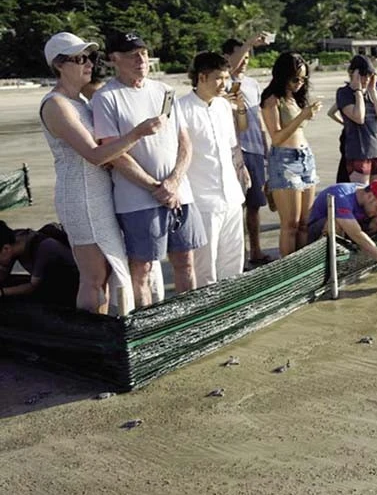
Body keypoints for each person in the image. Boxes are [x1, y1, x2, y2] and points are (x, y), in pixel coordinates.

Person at [38, 32, 163, 314]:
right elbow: (94, 155)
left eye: (91, 57)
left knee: (106, 273)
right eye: (80, 59)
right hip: (80, 196)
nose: (89, 64)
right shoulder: (56, 104)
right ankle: (93, 339)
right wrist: (138, 133)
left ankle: (104, 332)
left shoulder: (81, 101)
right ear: (59, 65)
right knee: (94, 276)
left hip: (99, 193)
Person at [92, 30, 205, 307]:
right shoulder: (106, 98)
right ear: (114, 59)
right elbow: (115, 153)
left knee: (185, 260)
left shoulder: (164, 90)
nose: (141, 59)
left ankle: (187, 319)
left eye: (143, 52)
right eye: (132, 55)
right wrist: (156, 187)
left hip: (179, 192)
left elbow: (184, 142)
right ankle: (147, 328)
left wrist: (174, 181)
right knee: (141, 269)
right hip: (137, 199)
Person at [177, 52, 247, 285]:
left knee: (234, 260)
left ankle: (232, 307)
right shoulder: (181, 109)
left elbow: (231, 146)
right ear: (202, 77)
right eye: (219, 78)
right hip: (202, 201)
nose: (224, 85)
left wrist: (241, 168)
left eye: (226, 78)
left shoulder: (223, 107)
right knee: (205, 267)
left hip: (232, 196)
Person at [260, 52, 321, 256]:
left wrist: (305, 113)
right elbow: (276, 137)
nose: (300, 84)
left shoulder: (294, 98)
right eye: (296, 78)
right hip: (284, 160)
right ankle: (287, 269)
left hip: (305, 158)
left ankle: (300, 265)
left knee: (305, 222)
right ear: (283, 75)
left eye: (303, 79)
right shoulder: (272, 99)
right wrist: (303, 116)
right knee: (290, 224)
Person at [222, 34, 272, 267]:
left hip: (255, 150)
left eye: (249, 56)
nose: (245, 60)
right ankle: (237, 257)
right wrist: (249, 42)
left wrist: (266, 147)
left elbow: (260, 119)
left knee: (254, 205)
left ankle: (256, 251)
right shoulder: (225, 81)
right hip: (234, 151)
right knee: (236, 207)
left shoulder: (253, 84)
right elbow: (231, 67)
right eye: (241, 55)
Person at [336, 55, 377, 185]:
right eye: (363, 75)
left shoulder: (374, 90)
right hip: (359, 152)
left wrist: (372, 91)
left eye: (370, 75)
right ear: (352, 73)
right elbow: (358, 117)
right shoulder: (344, 93)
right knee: (361, 195)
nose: (366, 79)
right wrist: (358, 91)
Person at [0, 220, 80, 308]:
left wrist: (2, 292)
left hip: (75, 285)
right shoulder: (13, 240)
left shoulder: (44, 248)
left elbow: (33, 286)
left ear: (6, 249)